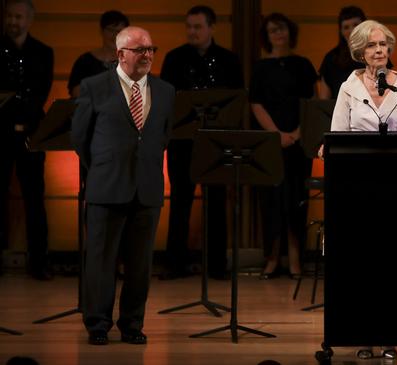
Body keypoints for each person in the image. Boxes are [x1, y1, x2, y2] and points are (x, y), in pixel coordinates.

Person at [71, 26, 175, 345]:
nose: (147, 55)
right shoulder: (94, 87)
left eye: (151, 49)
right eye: (140, 50)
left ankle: (132, 324)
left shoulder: (166, 90)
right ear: (120, 54)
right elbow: (80, 139)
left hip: (147, 188)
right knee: (101, 261)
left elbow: (163, 136)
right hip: (106, 186)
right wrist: (102, 169)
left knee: (140, 264)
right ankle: (98, 324)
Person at [329, 19, 397, 360]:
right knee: (361, 264)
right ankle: (362, 334)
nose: (379, 50)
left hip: (396, 187)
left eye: (383, 44)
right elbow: (337, 135)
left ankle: (390, 334)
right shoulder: (348, 87)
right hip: (357, 186)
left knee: (391, 264)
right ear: (360, 52)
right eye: (371, 45)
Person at [158, 5, 244, 280]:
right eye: (189, 27)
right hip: (182, 140)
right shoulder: (174, 59)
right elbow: (167, 100)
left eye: (198, 27)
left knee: (217, 200)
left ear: (212, 28)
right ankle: (174, 264)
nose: (192, 32)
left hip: (216, 141)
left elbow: (236, 100)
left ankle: (217, 265)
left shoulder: (229, 60)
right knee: (180, 200)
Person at [250, 13, 317, 280]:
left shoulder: (303, 64)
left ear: (290, 31)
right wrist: (276, 134)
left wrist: (297, 133)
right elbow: (255, 103)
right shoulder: (260, 67)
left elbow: (311, 101)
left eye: (282, 29)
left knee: (296, 200)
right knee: (271, 201)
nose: (278, 34)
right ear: (266, 36)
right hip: (269, 143)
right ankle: (272, 257)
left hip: (300, 141)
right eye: (272, 30)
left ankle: (296, 257)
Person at [0, 0, 53, 280]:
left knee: (35, 198)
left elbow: (40, 93)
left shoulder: (44, 52)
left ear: (29, 20)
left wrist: (14, 102)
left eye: (18, 17)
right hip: (1, 133)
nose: (12, 22)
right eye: (9, 16)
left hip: (32, 132)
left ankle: (39, 262)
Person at [68, 10, 129, 98]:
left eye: (120, 31)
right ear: (101, 31)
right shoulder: (85, 61)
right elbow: (76, 92)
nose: (115, 35)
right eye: (111, 30)